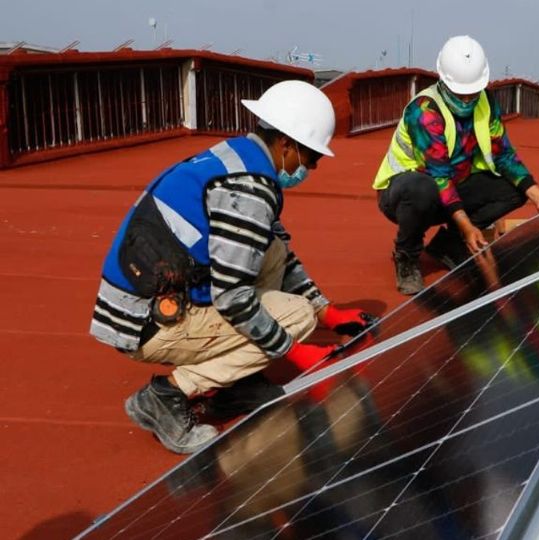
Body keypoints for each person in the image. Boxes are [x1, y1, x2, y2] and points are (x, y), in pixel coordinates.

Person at [90, 80, 377, 454]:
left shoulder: (237, 157)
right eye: (311, 157)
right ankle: (167, 395)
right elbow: (233, 299)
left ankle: (235, 385)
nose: (311, 167)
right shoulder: (248, 188)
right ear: (286, 144)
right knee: (296, 317)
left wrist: (329, 311)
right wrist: (291, 349)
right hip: (145, 323)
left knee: (272, 251)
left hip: (145, 304)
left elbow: (278, 254)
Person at [373, 35, 539, 295]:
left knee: (515, 188)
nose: (466, 100)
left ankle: (449, 244)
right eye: (460, 93)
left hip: (452, 187)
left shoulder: (485, 102)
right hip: (405, 194)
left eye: (471, 93)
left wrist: (538, 197)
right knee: (422, 188)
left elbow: (504, 154)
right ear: (443, 81)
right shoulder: (425, 111)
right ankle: (407, 256)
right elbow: (439, 176)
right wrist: (469, 227)